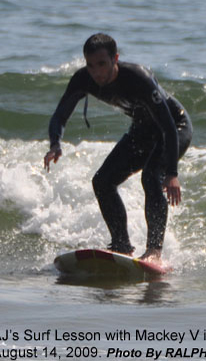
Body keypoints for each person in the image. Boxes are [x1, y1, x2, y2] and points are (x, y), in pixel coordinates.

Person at [43, 33, 193, 264]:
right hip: (142, 130)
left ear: (116, 59)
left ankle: (154, 252)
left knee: (151, 176)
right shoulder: (83, 79)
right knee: (102, 181)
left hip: (174, 127)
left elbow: (169, 126)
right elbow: (60, 114)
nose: (97, 72)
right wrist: (55, 143)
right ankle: (121, 246)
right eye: (91, 65)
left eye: (102, 64)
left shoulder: (138, 78)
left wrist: (172, 173)